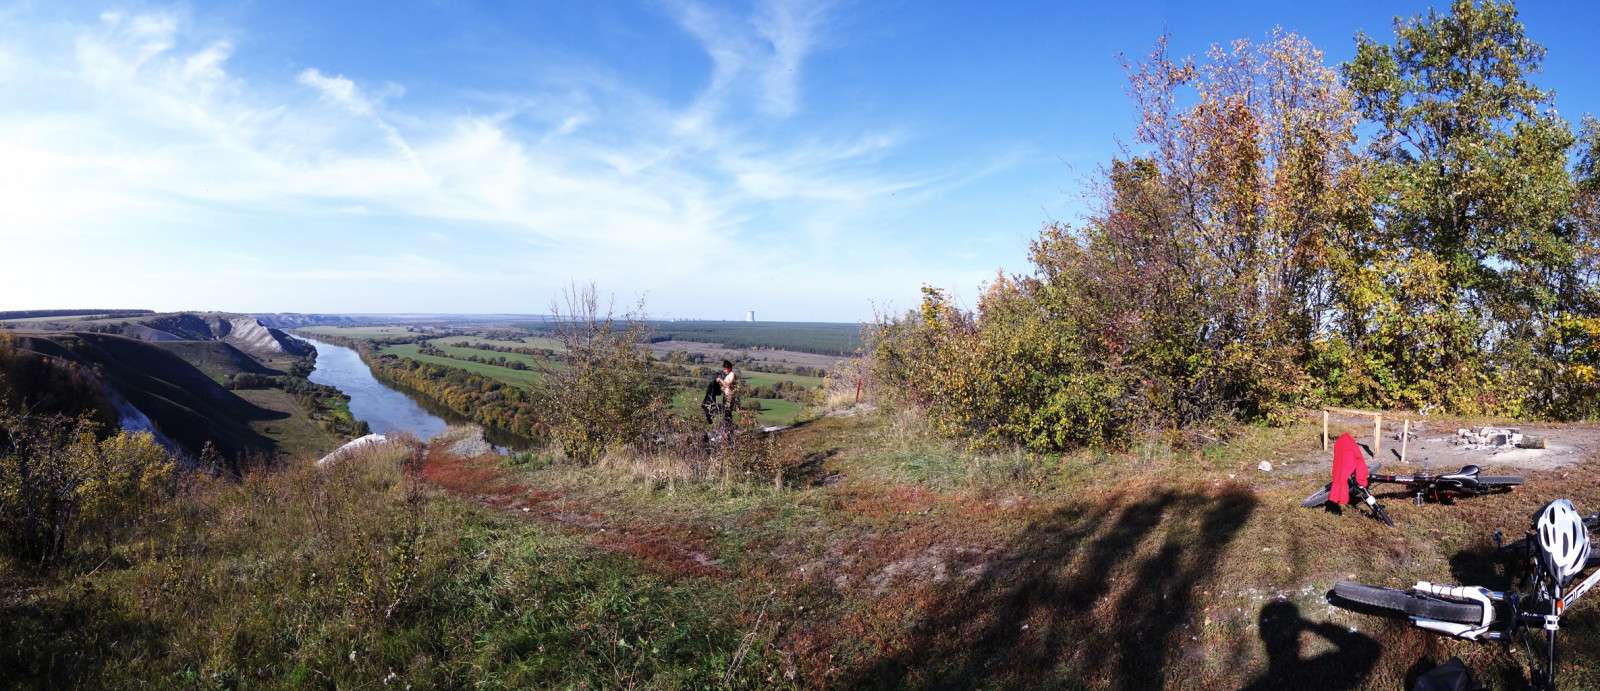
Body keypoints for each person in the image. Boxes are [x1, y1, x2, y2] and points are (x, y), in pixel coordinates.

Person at [701, 360, 738, 424]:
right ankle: (726, 429)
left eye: (725, 369)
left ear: (729, 368)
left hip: (730, 397)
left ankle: (728, 430)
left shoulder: (732, 374)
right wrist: (714, 388)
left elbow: (728, 385)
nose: (724, 371)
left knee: (727, 413)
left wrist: (720, 380)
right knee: (725, 413)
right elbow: (724, 388)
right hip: (726, 397)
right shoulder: (727, 376)